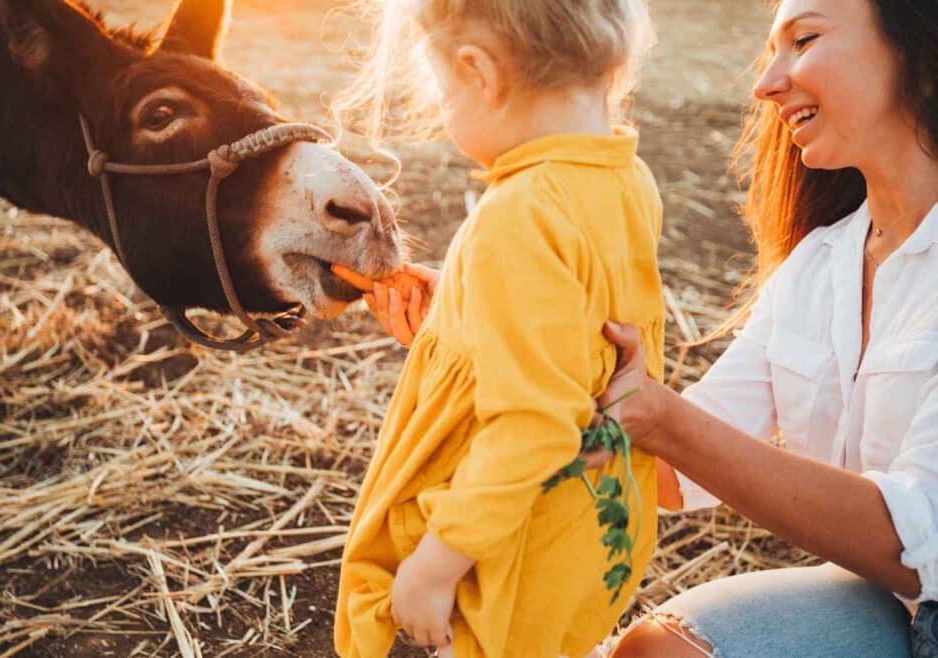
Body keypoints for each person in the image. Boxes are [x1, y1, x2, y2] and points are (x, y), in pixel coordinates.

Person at [366, 0, 938, 656]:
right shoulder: (818, 266)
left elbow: (918, 545)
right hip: (884, 608)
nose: (766, 82)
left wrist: (656, 414)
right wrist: (491, 329)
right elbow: (665, 476)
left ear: (917, 44)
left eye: (803, 40)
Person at [329, 1, 669, 656]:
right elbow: (576, 349)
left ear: (478, 72)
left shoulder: (518, 215)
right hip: (580, 536)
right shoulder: (628, 180)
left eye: (438, 84)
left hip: (495, 572)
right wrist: (463, 311)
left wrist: (435, 565)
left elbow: (533, 422)